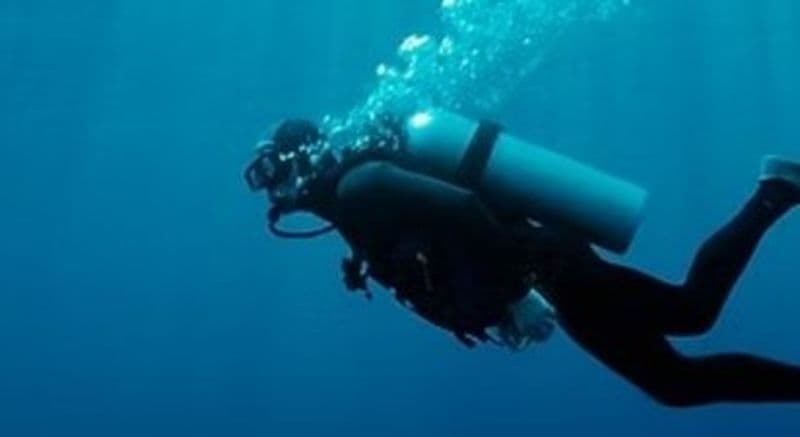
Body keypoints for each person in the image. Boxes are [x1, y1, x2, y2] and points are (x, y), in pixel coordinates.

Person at [244, 112, 800, 407]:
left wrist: (516, 293)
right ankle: (774, 190)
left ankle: (773, 191)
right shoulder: (352, 206)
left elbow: (462, 208)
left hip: (546, 267)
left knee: (678, 370)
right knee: (688, 319)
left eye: (269, 173)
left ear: (299, 160)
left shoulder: (359, 188)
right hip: (544, 263)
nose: (270, 194)